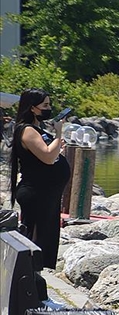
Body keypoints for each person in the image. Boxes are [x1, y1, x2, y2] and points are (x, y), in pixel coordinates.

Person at [8, 88, 71, 269]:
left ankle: (37, 277)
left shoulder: (37, 129)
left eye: (49, 104)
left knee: (46, 239)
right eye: (45, 105)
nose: (48, 109)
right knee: (35, 240)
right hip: (36, 193)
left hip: (47, 195)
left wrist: (57, 146)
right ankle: (28, 277)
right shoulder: (27, 130)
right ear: (32, 108)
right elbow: (48, 157)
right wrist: (58, 133)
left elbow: (48, 154)